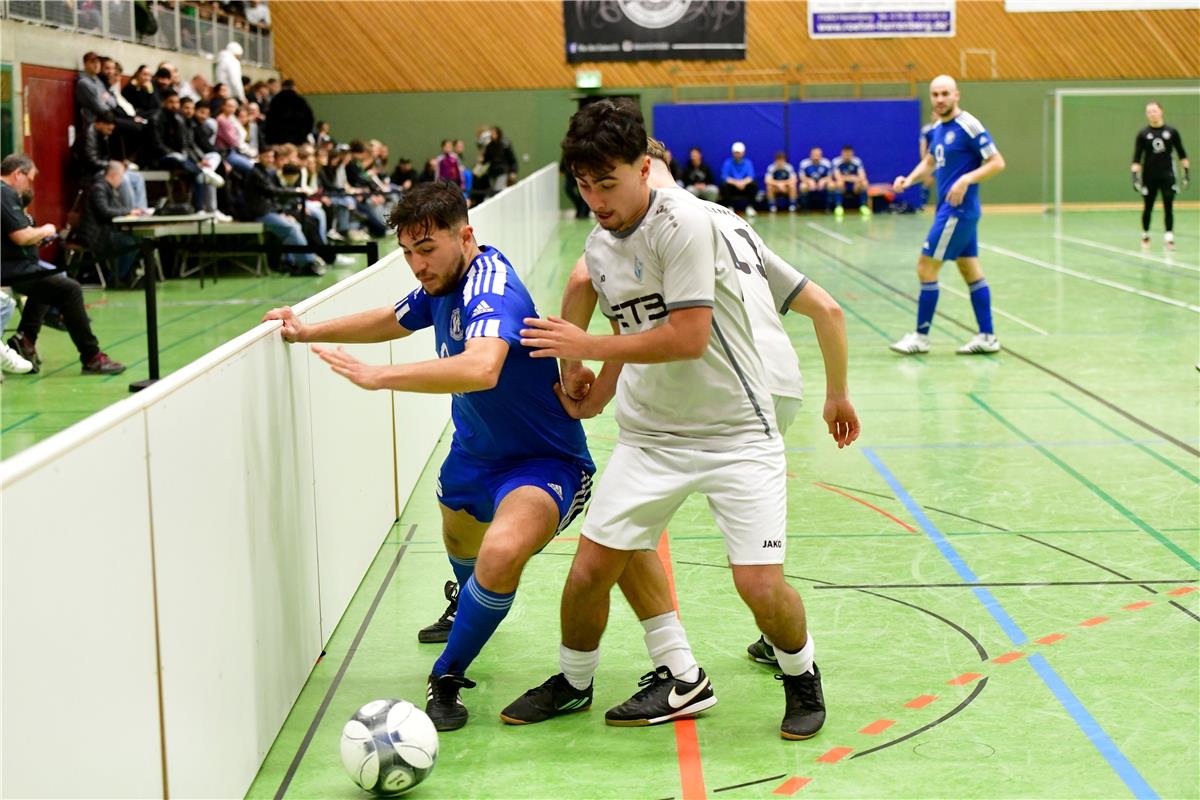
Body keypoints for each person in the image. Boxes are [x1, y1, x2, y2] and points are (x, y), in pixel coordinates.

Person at [501, 99, 858, 739]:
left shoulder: (687, 223)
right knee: (587, 573)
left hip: (737, 434)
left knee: (758, 586)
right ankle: (574, 680)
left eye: (607, 184)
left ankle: (801, 673)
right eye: (584, 187)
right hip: (649, 437)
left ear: (644, 168)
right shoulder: (599, 242)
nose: (596, 199)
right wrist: (598, 385)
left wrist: (586, 349)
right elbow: (626, 323)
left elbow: (689, 336)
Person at [261, 181, 595, 731]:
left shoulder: (491, 287)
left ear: (466, 236)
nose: (417, 265)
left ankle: (447, 676)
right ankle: (465, 605)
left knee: (500, 552)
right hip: (473, 452)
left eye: (427, 249)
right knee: (460, 537)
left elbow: (482, 367)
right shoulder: (441, 280)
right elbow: (394, 318)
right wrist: (303, 329)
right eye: (408, 253)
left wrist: (379, 377)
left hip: (544, 459)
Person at [890, 75, 1006, 356]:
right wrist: (909, 179)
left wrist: (966, 179)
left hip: (958, 211)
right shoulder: (939, 128)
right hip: (952, 210)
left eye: (945, 94)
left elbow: (997, 162)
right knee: (970, 269)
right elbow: (930, 161)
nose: (940, 99)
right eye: (935, 94)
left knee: (925, 267)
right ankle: (987, 336)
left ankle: (920, 337)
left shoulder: (968, 125)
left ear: (957, 95)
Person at [1, 154, 126, 375]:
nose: (30, 184)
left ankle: (25, 340)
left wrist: (35, 236)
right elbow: (20, 236)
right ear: (17, 174)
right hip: (9, 269)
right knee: (70, 289)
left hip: (17, 265)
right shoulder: (5, 192)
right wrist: (46, 230)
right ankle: (92, 357)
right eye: (29, 179)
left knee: (49, 282)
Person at [1132, 100, 1189, 250]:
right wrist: (1134, 176)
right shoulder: (1143, 134)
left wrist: (1186, 173)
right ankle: (1145, 234)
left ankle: (1169, 237)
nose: (1152, 114)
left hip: (1167, 175)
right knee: (1148, 206)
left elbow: (1182, 154)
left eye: (1154, 111)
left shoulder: (1171, 132)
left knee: (1168, 205)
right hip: (1149, 176)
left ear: (1161, 111)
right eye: (1149, 111)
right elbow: (1137, 158)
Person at [80, 161, 143, 282]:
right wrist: (128, 212)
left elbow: (113, 209)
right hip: (96, 235)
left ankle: (122, 274)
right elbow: (105, 212)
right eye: (121, 176)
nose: (121, 181)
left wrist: (129, 211)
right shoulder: (99, 188)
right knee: (131, 242)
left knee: (135, 239)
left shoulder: (106, 188)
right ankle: (117, 276)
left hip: (104, 232)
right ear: (114, 175)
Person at [719, 141, 757, 215]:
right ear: (733, 153)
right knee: (724, 186)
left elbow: (751, 177)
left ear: (743, 153)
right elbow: (725, 177)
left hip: (744, 187)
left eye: (739, 152)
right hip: (732, 187)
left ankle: (750, 207)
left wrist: (743, 183)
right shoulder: (728, 163)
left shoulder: (748, 163)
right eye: (736, 152)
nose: (737, 154)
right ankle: (729, 207)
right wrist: (736, 183)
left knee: (753, 185)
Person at [832, 145, 871, 217]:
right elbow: (837, 176)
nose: (847, 156)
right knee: (839, 183)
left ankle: (863, 206)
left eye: (849, 154)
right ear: (842, 153)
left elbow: (862, 176)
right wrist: (851, 178)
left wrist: (857, 180)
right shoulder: (836, 161)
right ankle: (839, 206)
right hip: (843, 184)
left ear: (852, 154)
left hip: (854, 185)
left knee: (864, 183)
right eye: (845, 154)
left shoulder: (857, 161)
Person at [798, 147, 833, 212]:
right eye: (814, 154)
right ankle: (804, 207)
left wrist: (823, 180)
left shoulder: (826, 162)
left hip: (822, 183)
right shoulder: (804, 163)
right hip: (809, 183)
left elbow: (830, 176)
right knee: (802, 186)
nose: (816, 156)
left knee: (831, 185)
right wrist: (809, 181)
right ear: (810, 155)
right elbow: (801, 177)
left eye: (818, 154)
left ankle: (829, 207)